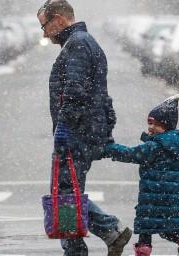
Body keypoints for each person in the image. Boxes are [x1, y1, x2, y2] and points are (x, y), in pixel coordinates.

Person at [37, 1, 132, 256]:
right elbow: (102, 96)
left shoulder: (77, 44)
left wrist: (64, 128)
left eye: (44, 26)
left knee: (64, 198)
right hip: (85, 133)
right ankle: (110, 232)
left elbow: (76, 92)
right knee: (67, 194)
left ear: (58, 19)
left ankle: (95, 240)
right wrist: (104, 129)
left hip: (75, 135)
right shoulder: (85, 42)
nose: (44, 33)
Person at [103, 93, 179, 256]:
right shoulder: (178, 146)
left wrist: (109, 148)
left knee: (146, 231)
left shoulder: (155, 147)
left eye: (155, 124)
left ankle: (143, 252)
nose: (151, 128)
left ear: (166, 126)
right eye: (149, 123)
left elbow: (132, 154)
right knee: (170, 231)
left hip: (152, 199)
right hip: (173, 198)